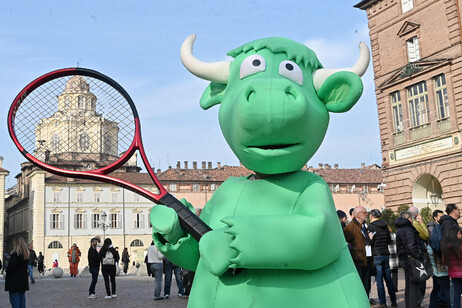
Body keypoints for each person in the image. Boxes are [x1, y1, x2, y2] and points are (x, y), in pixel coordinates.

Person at [367, 209, 397, 308]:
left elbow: (370, 242)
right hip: (385, 253)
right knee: (388, 279)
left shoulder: (371, 227)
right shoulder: (385, 226)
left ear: (371, 216)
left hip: (377, 254)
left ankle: (383, 302)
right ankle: (393, 301)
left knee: (379, 280)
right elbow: (389, 240)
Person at [396, 211, 425, 308]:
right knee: (413, 285)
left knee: (408, 285)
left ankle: (409, 305)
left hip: (404, 258)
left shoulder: (399, 229)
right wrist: (419, 255)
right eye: (411, 218)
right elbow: (411, 246)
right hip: (411, 259)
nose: (412, 220)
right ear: (408, 218)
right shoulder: (408, 229)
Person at [344, 206, 369, 296]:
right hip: (357, 261)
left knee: (366, 286)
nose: (367, 214)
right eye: (365, 212)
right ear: (358, 215)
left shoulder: (363, 227)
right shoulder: (350, 227)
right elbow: (345, 244)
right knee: (359, 287)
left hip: (366, 260)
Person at [5, 236, 30, 308]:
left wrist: (7, 269)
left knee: (15, 300)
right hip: (23, 280)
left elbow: (12, 266)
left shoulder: (15, 254)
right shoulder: (26, 254)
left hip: (14, 281)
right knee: (22, 299)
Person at [442, 228, 462, 308]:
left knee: (456, 293)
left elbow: (444, 261)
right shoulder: (460, 247)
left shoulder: (446, 247)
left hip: (454, 273)